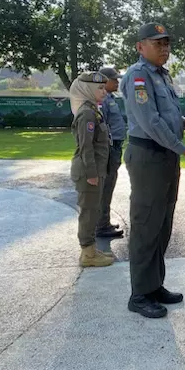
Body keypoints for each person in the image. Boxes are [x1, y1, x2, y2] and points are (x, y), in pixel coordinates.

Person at [121, 22, 185, 319]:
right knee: (146, 225)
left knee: (162, 223)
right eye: (157, 43)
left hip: (165, 157)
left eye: (166, 43)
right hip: (149, 156)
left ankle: (154, 285)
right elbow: (151, 122)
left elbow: (168, 116)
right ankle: (139, 294)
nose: (164, 48)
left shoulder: (163, 76)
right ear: (140, 46)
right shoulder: (138, 76)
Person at [69, 72, 114, 268]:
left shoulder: (92, 110)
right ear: (87, 89)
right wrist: (92, 174)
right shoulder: (87, 113)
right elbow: (85, 146)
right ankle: (87, 254)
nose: (104, 91)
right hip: (89, 171)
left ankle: (90, 249)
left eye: (104, 88)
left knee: (93, 210)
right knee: (88, 212)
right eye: (100, 88)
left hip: (96, 169)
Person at [95, 67, 125, 239]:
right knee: (106, 187)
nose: (117, 82)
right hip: (109, 148)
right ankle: (101, 225)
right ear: (104, 80)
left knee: (109, 185)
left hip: (115, 147)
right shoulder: (102, 100)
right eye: (114, 79)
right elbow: (101, 124)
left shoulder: (110, 98)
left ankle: (103, 222)